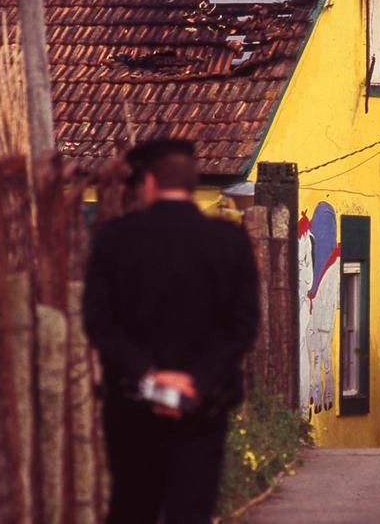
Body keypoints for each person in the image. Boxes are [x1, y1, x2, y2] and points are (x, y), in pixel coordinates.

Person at [83, 138, 260, 523]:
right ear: (191, 183)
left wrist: (147, 376)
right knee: (192, 511)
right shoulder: (228, 243)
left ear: (148, 181)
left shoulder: (115, 240)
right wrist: (195, 381)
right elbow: (242, 325)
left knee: (132, 509)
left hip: (133, 404)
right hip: (202, 407)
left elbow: (99, 321)